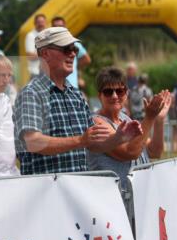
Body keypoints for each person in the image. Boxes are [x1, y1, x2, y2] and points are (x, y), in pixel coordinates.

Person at [14, 27, 140, 175]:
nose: (73, 54)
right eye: (66, 49)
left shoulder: (76, 95)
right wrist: (80, 140)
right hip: (47, 193)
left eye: (74, 49)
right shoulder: (31, 93)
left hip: (77, 192)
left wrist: (118, 138)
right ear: (45, 54)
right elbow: (32, 141)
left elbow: (94, 144)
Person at [89, 67, 171, 222]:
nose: (114, 96)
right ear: (99, 95)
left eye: (119, 91)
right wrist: (149, 118)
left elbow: (154, 151)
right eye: (108, 92)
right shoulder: (96, 122)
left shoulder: (125, 118)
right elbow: (129, 152)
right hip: (114, 206)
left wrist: (159, 120)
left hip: (138, 201)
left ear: (126, 94)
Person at [52, 16, 91, 90]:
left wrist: (76, 69)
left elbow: (87, 59)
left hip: (72, 86)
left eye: (60, 26)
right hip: (54, 87)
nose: (58, 29)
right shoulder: (48, 45)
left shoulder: (73, 43)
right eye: (55, 27)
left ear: (65, 27)